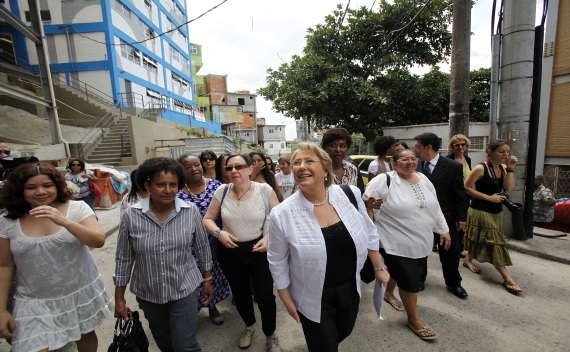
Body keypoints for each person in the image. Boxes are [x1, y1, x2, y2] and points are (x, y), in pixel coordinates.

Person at [268, 143, 390, 351]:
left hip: (350, 286)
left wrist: (379, 267)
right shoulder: (282, 213)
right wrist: (285, 297)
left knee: (345, 329)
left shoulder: (348, 194)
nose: (301, 166)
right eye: (296, 162)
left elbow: (369, 231)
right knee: (324, 345)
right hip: (313, 294)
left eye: (309, 161)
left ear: (325, 169)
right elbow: (277, 259)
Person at [0, 162, 114, 352]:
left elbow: (98, 240)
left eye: (47, 185)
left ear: (57, 186)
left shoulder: (77, 209)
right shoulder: (7, 221)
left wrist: (63, 221)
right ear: (20, 190)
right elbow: (4, 265)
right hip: (33, 301)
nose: (40, 192)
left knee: (84, 333)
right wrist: (2, 309)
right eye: (31, 187)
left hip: (77, 291)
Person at [114, 157, 213, 351]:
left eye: (173, 185)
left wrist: (207, 278)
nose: (168, 190)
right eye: (161, 184)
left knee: (185, 345)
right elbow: (124, 258)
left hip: (184, 286)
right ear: (147, 185)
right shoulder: (131, 215)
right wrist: (120, 298)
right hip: (149, 291)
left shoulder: (189, 211)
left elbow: (202, 247)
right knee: (163, 340)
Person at [364, 149, 450, 340]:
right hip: (394, 240)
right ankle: (413, 319)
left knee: (402, 273)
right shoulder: (384, 180)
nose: (410, 162)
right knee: (411, 281)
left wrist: (443, 230)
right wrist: (370, 203)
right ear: (394, 163)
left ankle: (388, 294)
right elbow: (366, 202)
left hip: (422, 240)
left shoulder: (423, 179)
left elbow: (435, 206)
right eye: (404, 159)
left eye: (413, 159)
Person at [203, 154, 281, 351]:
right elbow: (208, 219)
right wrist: (219, 233)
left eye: (238, 166)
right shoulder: (222, 191)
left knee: (265, 296)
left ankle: (270, 334)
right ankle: (249, 326)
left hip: (259, 250)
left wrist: (268, 238)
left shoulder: (264, 190)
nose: (234, 171)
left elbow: (278, 219)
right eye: (229, 168)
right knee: (241, 294)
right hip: (231, 252)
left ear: (249, 168)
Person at [462, 140, 522, 294]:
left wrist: (511, 169)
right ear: (490, 152)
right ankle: (506, 276)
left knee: (478, 236)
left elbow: (508, 187)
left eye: (507, 152)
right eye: (502, 152)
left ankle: (468, 259)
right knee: (493, 242)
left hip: (496, 211)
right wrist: (488, 198)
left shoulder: (502, 168)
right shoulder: (480, 168)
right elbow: (467, 187)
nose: (505, 155)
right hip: (480, 210)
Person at [177, 154, 230, 325]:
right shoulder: (177, 193)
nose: (194, 169)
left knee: (213, 277)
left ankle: (212, 307)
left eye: (196, 165)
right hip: (189, 245)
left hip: (215, 240)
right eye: (187, 167)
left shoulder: (216, 186)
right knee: (192, 279)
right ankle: (192, 309)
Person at [414, 133, 470, 299]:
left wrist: (461, 217)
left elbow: (460, 195)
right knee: (421, 250)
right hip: (420, 218)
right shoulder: (415, 166)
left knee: (451, 251)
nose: (415, 150)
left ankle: (454, 282)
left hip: (445, 217)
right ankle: (420, 279)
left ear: (428, 147)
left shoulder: (452, 167)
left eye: (417, 146)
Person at [447, 134, 473, 257]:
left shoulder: (468, 160)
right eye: (457, 145)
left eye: (463, 145)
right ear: (452, 146)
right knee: (455, 222)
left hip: (466, 195)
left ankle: (460, 247)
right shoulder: (448, 160)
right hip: (453, 196)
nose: (460, 147)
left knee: (464, 221)